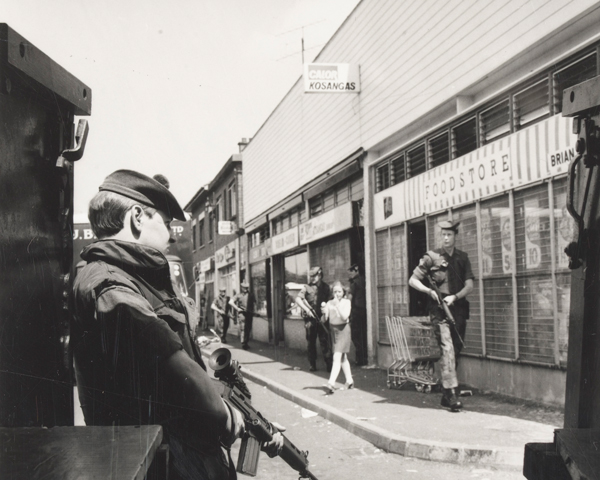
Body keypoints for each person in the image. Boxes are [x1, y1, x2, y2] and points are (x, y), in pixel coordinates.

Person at [72, 170, 278, 479]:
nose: (172, 235)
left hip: (170, 457)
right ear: (138, 216)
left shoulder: (129, 278)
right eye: (167, 224)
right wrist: (228, 415)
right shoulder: (111, 285)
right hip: (164, 463)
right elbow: (176, 368)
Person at [408, 220, 474, 412]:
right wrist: (429, 291)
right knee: (447, 350)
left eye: (449, 234)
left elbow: (470, 285)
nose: (446, 238)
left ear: (455, 236)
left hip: (458, 310)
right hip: (439, 311)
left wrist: (456, 296)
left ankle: (446, 395)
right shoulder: (432, 256)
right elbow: (413, 280)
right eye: (443, 234)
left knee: (456, 350)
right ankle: (452, 393)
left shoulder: (463, 258)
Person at [295, 266, 333, 372]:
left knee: (325, 342)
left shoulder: (326, 287)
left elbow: (330, 301)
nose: (312, 278)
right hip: (310, 321)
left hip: (322, 319)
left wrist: (325, 313)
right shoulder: (306, 287)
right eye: (311, 276)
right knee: (311, 343)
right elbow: (298, 299)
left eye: (314, 276)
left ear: (320, 275)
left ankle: (329, 364)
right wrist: (307, 310)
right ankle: (312, 364)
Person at [322, 281, 354, 394]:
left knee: (336, 356)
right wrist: (324, 313)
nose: (337, 294)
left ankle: (331, 382)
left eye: (339, 291)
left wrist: (337, 305)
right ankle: (349, 380)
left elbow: (345, 317)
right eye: (335, 291)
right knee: (343, 357)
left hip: (343, 330)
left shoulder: (346, 302)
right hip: (333, 331)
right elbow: (324, 319)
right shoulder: (329, 303)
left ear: (343, 292)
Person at [348, 263, 368, 366]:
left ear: (356, 270)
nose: (349, 274)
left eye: (351, 271)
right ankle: (364, 358)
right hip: (364, 311)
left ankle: (360, 359)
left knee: (355, 336)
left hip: (356, 311)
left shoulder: (354, 282)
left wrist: (346, 311)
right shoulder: (365, 280)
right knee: (363, 335)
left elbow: (350, 298)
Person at [229, 282, 256, 350]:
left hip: (249, 314)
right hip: (242, 315)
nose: (246, 289)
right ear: (242, 288)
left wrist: (254, 311)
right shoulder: (238, 295)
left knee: (248, 328)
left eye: (247, 288)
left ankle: (245, 342)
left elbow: (254, 303)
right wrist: (237, 308)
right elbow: (230, 302)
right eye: (245, 288)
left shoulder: (251, 295)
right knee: (243, 328)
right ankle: (244, 343)